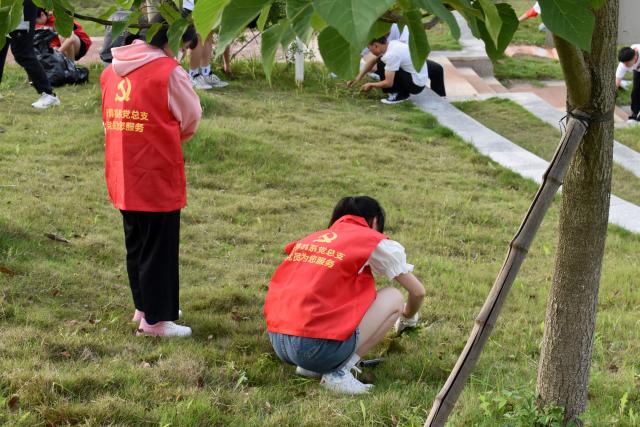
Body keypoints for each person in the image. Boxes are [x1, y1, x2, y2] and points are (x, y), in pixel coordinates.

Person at [100, 18, 202, 337]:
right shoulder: (168, 71)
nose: (181, 54)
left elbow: (106, 119)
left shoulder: (110, 71)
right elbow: (191, 117)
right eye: (183, 46)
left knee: (137, 242)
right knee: (159, 247)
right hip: (156, 172)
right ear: (173, 39)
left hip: (122, 171)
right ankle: (157, 322)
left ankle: (145, 306)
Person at [264, 196, 426, 394]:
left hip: (279, 341)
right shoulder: (367, 238)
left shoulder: (314, 239)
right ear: (375, 221)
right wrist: (407, 317)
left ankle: (311, 366)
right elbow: (418, 292)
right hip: (314, 347)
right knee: (394, 297)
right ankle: (338, 373)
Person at [349, 36, 445, 104]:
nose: (371, 52)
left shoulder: (391, 55)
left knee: (382, 63)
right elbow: (373, 61)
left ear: (376, 45)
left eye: (370, 49)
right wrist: (358, 78)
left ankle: (399, 95)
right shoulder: (392, 44)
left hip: (416, 85)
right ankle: (401, 92)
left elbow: (388, 83)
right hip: (418, 77)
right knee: (380, 60)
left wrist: (371, 85)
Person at [0, 0, 60, 109]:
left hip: (22, 6)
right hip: (5, 6)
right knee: (1, 45)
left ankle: (49, 94)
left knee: (22, 52)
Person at [182, 0, 228, 89]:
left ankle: (206, 73)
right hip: (192, 4)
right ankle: (193, 75)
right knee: (198, 35)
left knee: (208, 33)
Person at [616, 46, 640, 123]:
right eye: (624, 63)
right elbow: (616, 83)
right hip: (637, 69)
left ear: (635, 57)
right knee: (635, 91)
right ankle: (634, 116)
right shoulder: (623, 64)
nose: (624, 65)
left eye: (627, 63)